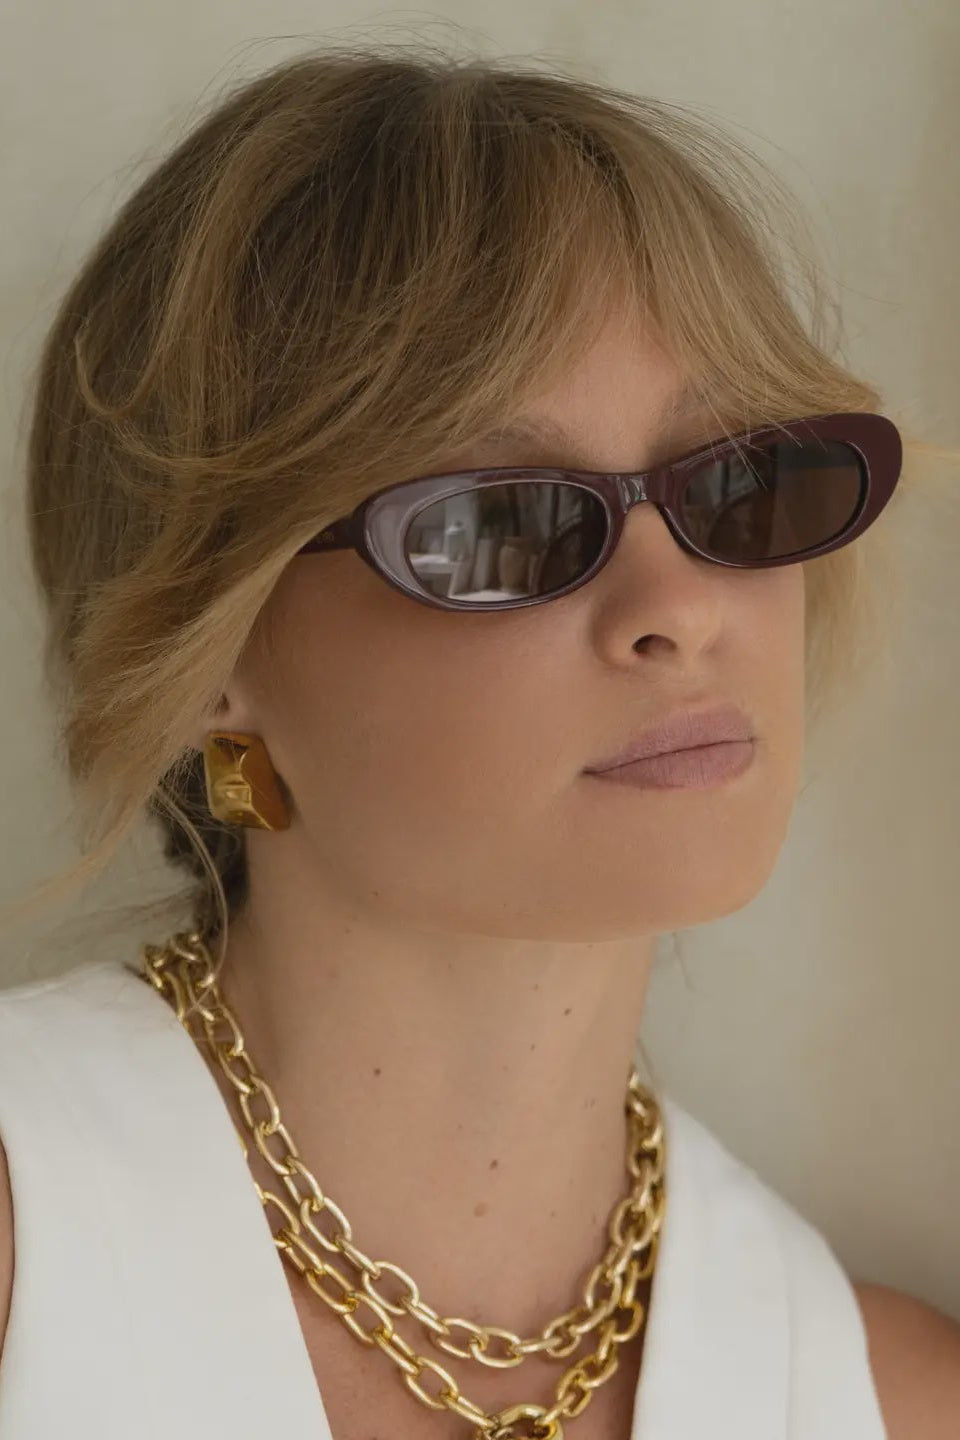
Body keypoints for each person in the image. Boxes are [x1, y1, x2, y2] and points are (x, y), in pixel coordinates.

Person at [0, 43, 958, 1440]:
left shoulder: (888, 1402)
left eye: (739, 484)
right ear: (214, 651)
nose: (680, 608)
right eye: (498, 519)